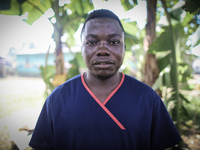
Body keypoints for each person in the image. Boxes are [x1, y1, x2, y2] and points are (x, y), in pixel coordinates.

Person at [29, 9, 181, 150]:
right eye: (92, 42)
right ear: (81, 49)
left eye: (114, 42)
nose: (102, 50)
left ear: (124, 48)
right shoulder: (58, 99)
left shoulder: (147, 98)